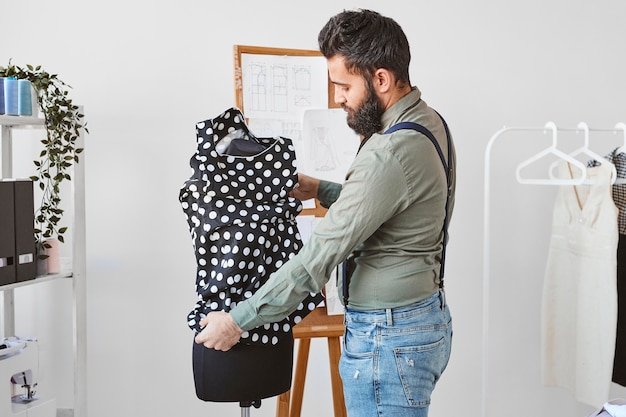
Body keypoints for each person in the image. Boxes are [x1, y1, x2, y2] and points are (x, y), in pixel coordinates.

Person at [195, 8, 456, 417]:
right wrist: (321, 190)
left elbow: (314, 262)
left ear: (381, 79)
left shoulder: (387, 151)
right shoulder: (429, 122)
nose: (338, 98)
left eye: (344, 85)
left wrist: (237, 320)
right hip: (423, 317)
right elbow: (390, 205)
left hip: (385, 339)